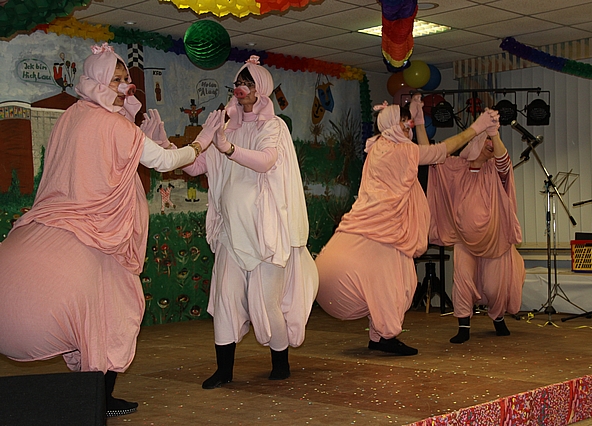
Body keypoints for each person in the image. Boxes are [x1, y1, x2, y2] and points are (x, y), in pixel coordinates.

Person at [0, 43, 218, 417]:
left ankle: (94, 396)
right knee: (114, 318)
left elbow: (103, 157)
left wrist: (130, 122)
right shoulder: (112, 124)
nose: (125, 86)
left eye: (125, 79)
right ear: (97, 80)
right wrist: (201, 142)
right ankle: (98, 400)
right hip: (100, 238)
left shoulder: (73, 115)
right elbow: (165, 160)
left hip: (66, 225)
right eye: (116, 80)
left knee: (101, 321)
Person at [314, 97, 499, 356]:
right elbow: (440, 151)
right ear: (390, 125)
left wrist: (415, 117)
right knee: (394, 285)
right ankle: (385, 336)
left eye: (406, 122)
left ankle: (379, 336)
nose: (406, 127)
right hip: (383, 231)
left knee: (393, 282)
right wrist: (476, 128)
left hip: (378, 228)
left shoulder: (378, 146)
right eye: (402, 123)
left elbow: (415, 146)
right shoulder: (398, 151)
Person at [180, 56, 318, 389]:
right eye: (239, 84)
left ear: (262, 88)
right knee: (225, 300)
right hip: (231, 233)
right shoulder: (226, 127)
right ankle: (223, 370)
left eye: (248, 83)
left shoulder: (274, 127)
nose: (241, 89)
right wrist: (164, 146)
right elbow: (196, 167)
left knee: (268, 305)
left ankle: (280, 363)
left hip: (266, 233)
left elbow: (267, 160)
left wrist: (228, 148)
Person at [426, 112, 525, 344]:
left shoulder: (496, 170)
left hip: (495, 239)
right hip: (464, 239)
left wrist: (494, 133)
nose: (491, 145)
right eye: (487, 140)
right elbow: (430, 155)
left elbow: (504, 160)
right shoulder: (455, 167)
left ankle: (498, 317)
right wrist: (421, 122)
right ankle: (463, 326)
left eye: (493, 141)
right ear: (476, 142)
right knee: (462, 279)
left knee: (494, 286)